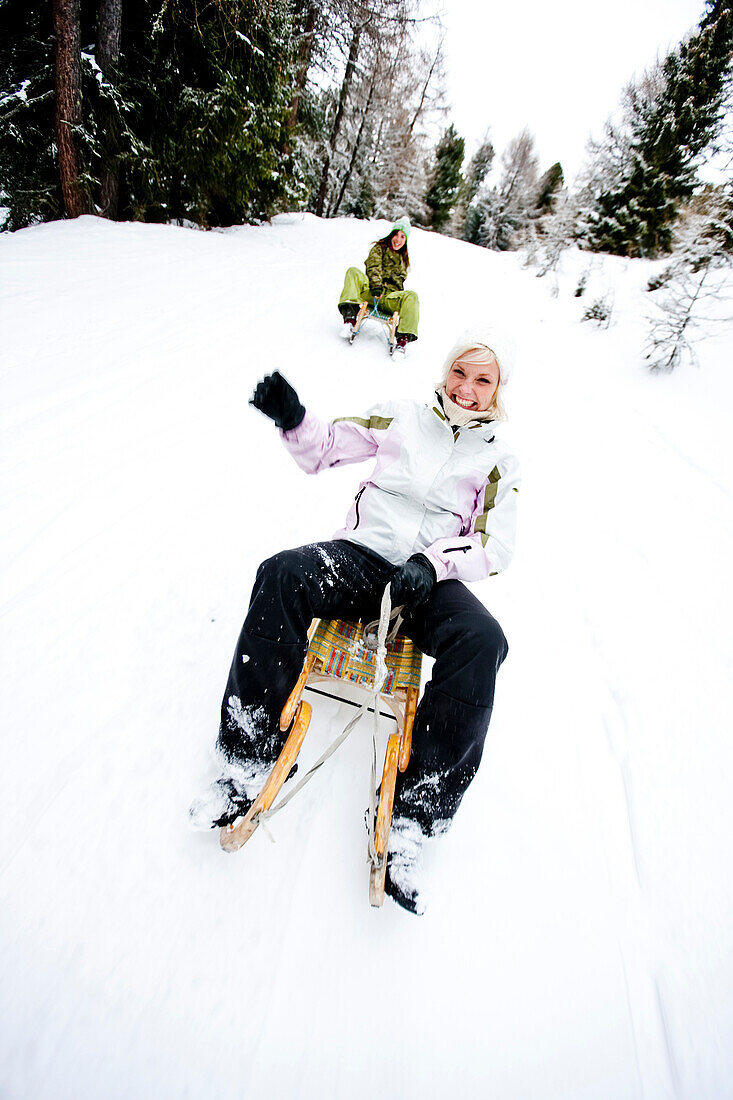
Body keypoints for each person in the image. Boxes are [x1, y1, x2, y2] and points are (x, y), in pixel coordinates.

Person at [190, 328, 521, 915]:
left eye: (483, 379)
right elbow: (327, 446)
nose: (467, 389)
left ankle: (415, 818)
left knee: (484, 640)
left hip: (429, 581)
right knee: (282, 575)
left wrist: (432, 561)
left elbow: (495, 545)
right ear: (445, 374)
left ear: (499, 391)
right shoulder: (402, 418)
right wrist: (292, 418)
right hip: (364, 558)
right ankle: (245, 754)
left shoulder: (499, 460)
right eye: (459, 373)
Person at [338, 217, 419, 350]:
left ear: (406, 240)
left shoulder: (404, 259)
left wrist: (397, 296)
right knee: (353, 272)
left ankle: (402, 341)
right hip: (372, 293)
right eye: (396, 234)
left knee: (412, 296)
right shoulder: (379, 248)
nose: (398, 240)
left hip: (389, 299)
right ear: (391, 235)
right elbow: (373, 266)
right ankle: (350, 319)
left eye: (403, 237)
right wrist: (376, 286)